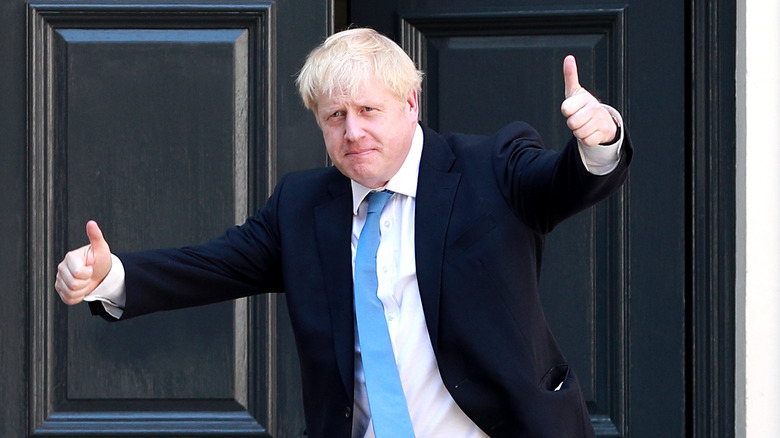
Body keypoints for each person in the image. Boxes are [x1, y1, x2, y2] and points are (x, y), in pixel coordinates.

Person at [55, 28, 631, 438]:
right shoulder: (304, 205)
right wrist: (112, 276)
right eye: (335, 117)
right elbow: (212, 265)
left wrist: (598, 141)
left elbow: (562, 184)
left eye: (367, 110)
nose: (352, 132)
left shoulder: (490, 167)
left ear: (410, 102)